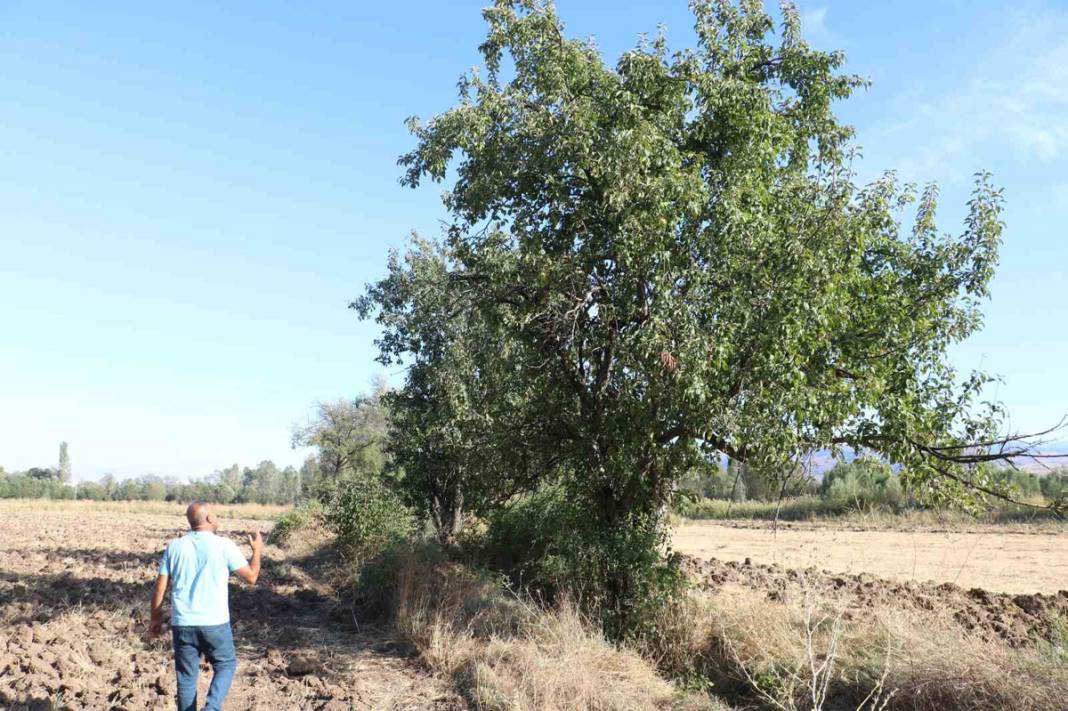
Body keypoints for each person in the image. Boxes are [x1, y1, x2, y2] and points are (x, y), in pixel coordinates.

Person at [149, 501, 264, 711]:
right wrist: (257, 551)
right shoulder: (224, 545)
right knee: (226, 665)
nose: (217, 518)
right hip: (215, 623)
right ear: (209, 519)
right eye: (216, 515)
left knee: (185, 678)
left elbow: (160, 587)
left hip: (182, 623)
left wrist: (155, 618)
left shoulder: (174, 547)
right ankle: (211, 708)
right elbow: (251, 578)